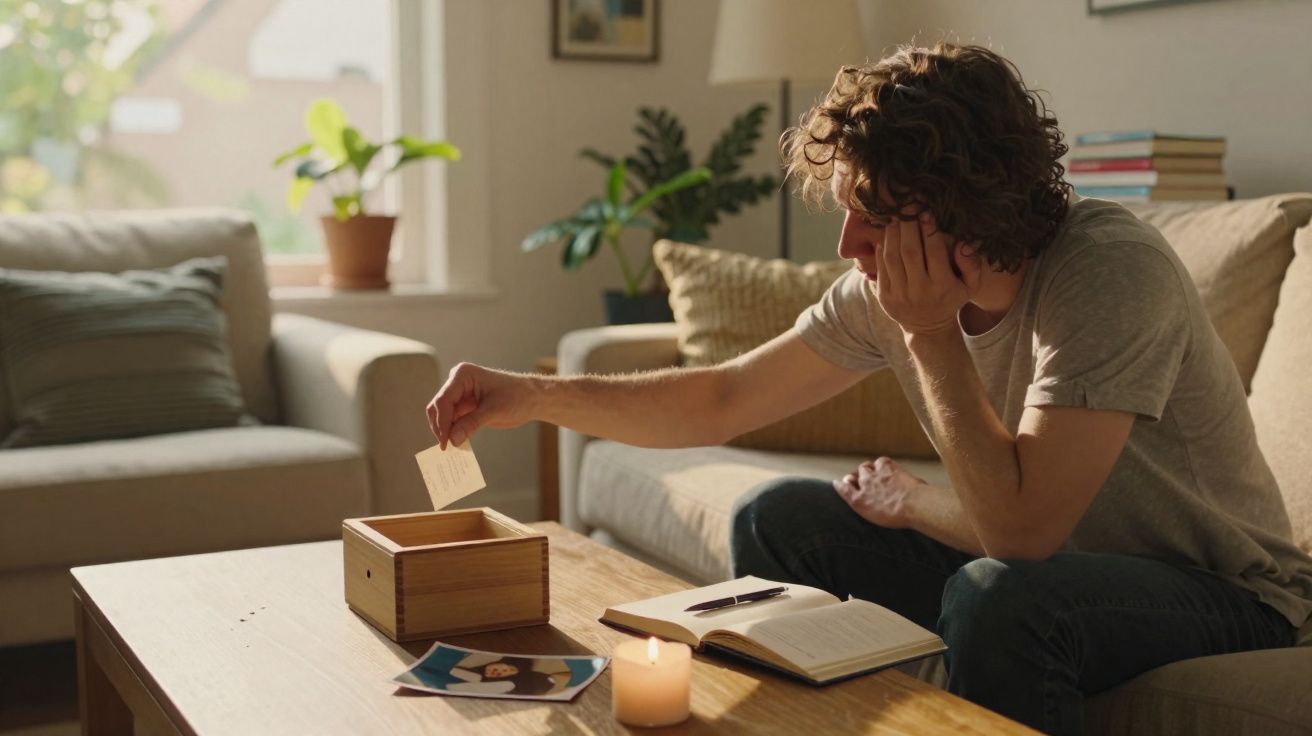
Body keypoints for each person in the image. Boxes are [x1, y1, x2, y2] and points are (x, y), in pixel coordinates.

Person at [425, 43, 1311, 734]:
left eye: (875, 215)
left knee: (998, 597)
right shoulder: (886, 287)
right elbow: (724, 399)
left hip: (1224, 591)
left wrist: (928, 336)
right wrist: (532, 397)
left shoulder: (1108, 271)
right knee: (777, 520)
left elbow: (1021, 533)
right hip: (1058, 565)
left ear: (962, 208)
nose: (849, 243)